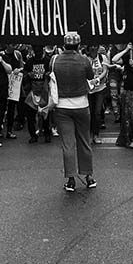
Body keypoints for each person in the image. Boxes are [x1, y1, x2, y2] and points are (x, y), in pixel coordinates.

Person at [50, 32, 96, 192]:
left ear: (64, 45)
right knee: (84, 140)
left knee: (68, 144)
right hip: (81, 104)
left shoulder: (55, 60)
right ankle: (89, 176)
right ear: (78, 45)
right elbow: (90, 76)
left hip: (62, 106)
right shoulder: (84, 60)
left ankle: (71, 179)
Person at [85, 46, 108, 145]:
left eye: (95, 46)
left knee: (97, 112)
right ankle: (89, 135)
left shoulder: (102, 57)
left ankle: (96, 134)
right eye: (91, 46)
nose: (93, 48)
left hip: (100, 88)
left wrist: (98, 79)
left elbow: (105, 70)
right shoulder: (84, 58)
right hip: (88, 89)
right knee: (89, 112)